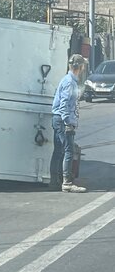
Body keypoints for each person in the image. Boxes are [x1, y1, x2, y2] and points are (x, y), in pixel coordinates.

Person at [50, 54, 87, 193]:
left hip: (58, 119)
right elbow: (64, 104)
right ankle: (67, 183)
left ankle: (55, 181)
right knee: (68, 151)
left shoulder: (68, 80)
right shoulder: (69, 82)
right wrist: (68, 123)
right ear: (80, 67)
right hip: (63, 120)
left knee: (58, 151)